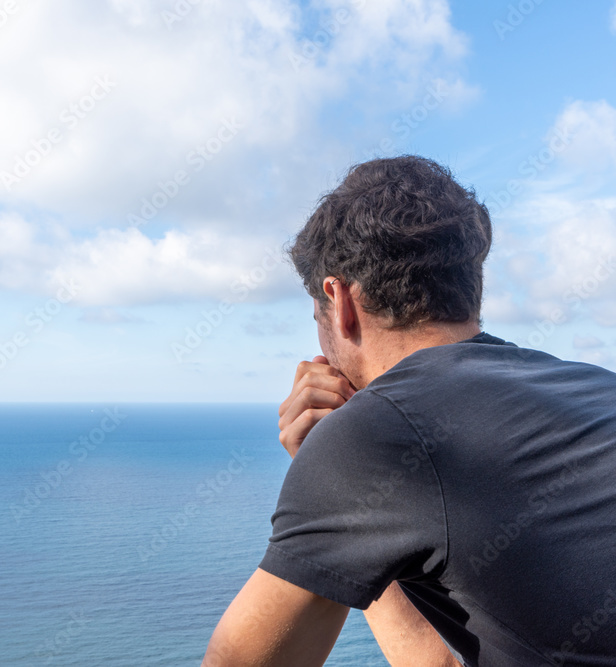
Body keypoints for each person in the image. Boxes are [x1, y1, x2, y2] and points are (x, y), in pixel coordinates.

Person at [202, 155, 616, 666]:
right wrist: (360, 530)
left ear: (340, 301)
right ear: (470, 288)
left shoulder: (371, 434)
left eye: (317, 316)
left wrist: (337, 471)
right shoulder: (596, 386)